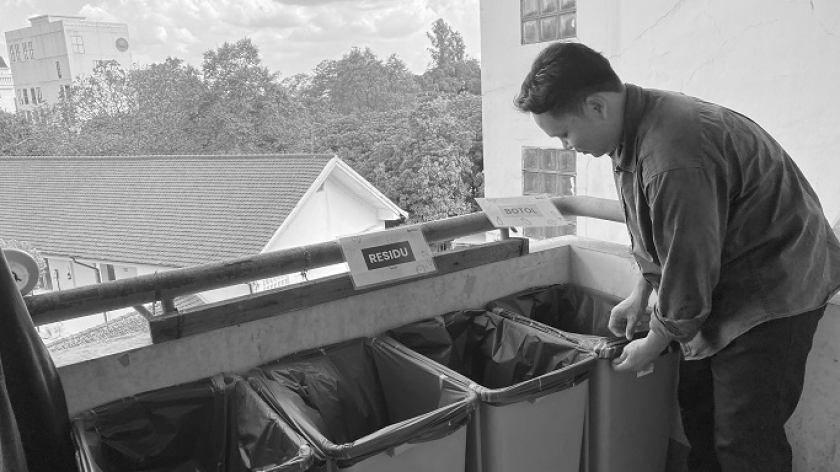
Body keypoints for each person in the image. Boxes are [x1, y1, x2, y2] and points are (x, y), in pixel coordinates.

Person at [514, 42, 840, 472]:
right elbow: (660, 232)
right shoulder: (631, 128)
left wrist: (655, 341)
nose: (565, 146)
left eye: (564, 134)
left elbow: (689, 262)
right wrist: (641, 293)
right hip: (722, 279)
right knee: (700, 416)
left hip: (774, 287)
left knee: (745, 441)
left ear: (596, 106)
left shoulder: (672, 154)